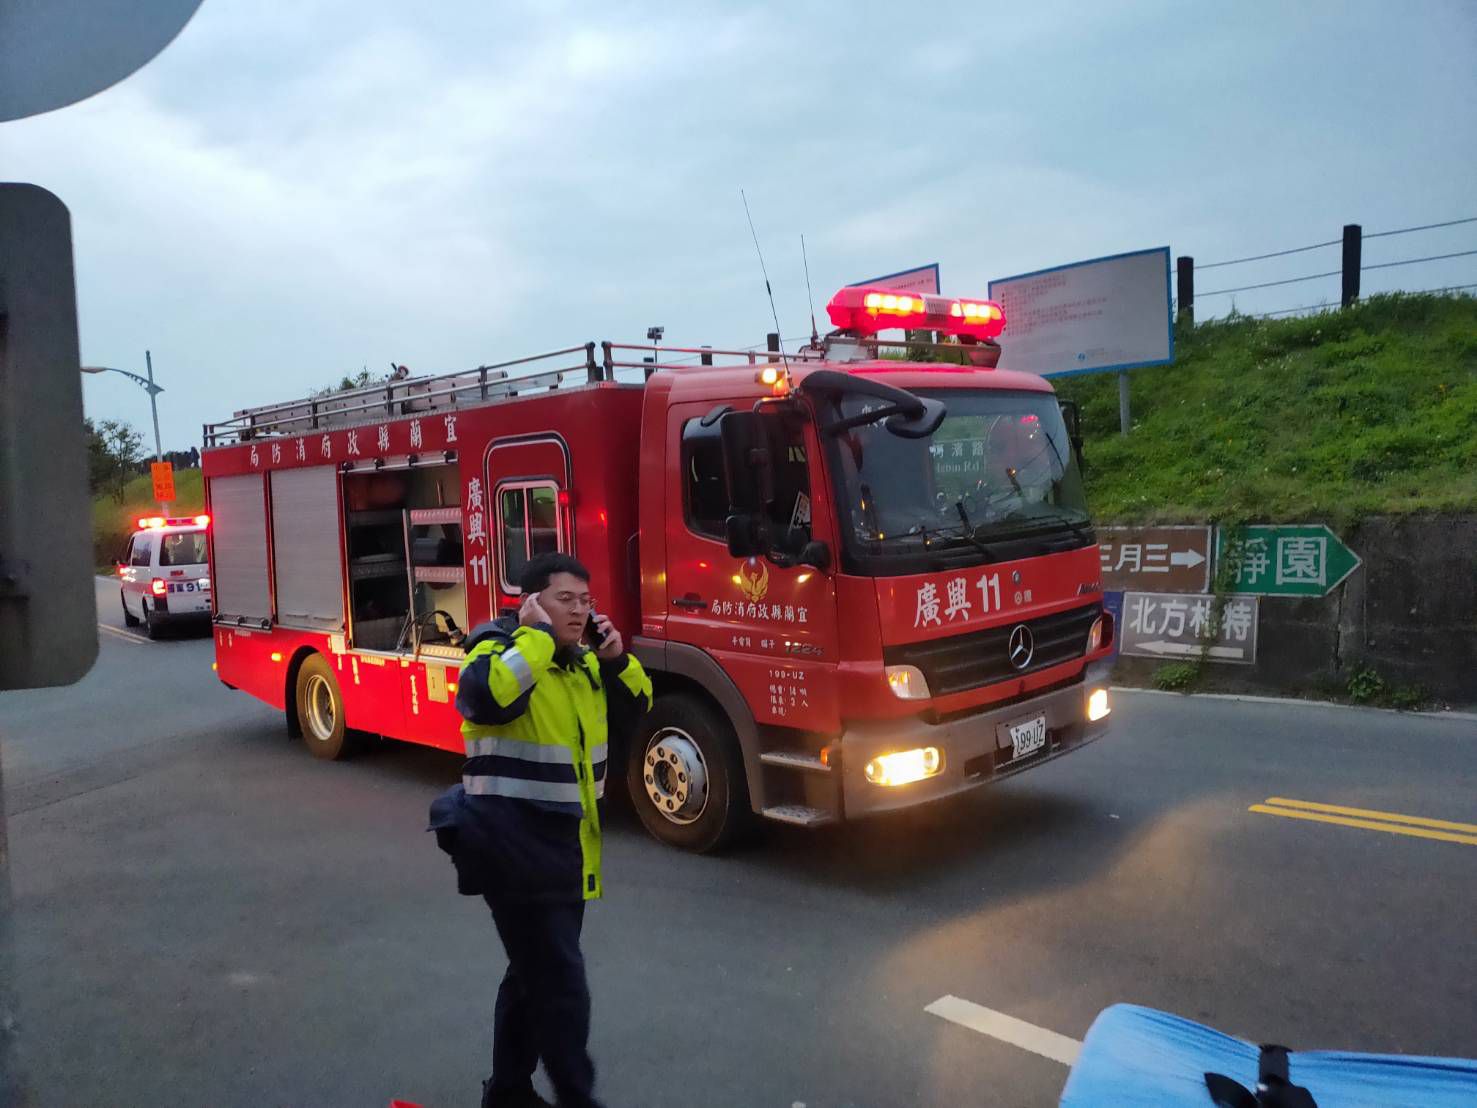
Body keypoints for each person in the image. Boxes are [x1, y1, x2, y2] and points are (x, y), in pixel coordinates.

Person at [429, 552, 651, 1108]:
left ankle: (507, 1093)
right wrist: (535, 638)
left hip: (566, 849)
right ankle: (578, 1097)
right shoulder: (497, 648)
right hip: (512, 844)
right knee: (560, 989)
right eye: (565, 601)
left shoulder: (582, 665)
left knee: (530, 980)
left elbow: (638, 709)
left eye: (586, 601)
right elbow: (484, 698)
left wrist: (618, 658)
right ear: (530, 603)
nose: (579, 612)